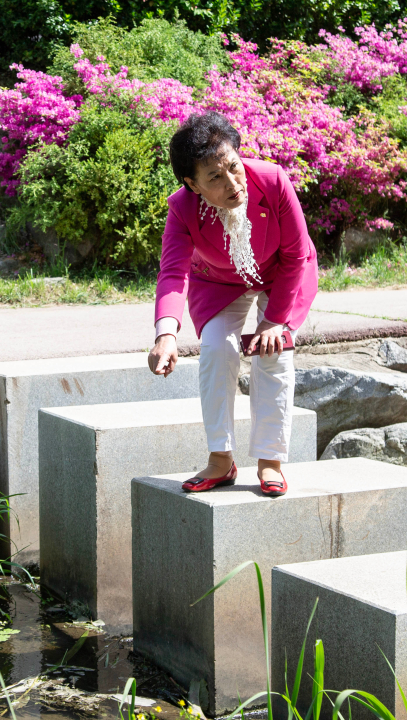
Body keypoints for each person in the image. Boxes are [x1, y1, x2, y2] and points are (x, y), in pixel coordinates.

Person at [147, 112, 318, 497]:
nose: (232, 184)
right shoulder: (182, 208)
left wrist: (275, 321)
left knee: (274, 351)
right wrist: (166, 335)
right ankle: (220, 460)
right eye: (215, 178)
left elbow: (295, 255)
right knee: (215, 348)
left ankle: (270, 461)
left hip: (283, 274)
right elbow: (173, 273)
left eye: (234, 168)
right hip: (218, 282)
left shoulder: (273, 180)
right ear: (192, 184)